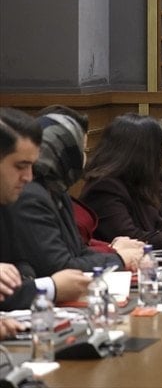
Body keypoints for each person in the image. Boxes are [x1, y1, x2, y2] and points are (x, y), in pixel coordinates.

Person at [8, 109, 143, 277]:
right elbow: (60, 266)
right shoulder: (30, 195)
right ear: (65, 153)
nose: (84, 158)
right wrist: (119, 259)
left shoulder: (57, 191)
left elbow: (79, 251)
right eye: (81, 150)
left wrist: (116, 257)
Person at [0, 108, 90, 311]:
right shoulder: (26, 199)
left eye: (31, 166)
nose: (28, 177)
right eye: (20, 166)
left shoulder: (7, 202)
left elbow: (20, 264)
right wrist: (51, 287)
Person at [80, 113, 162, 248]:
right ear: (144, 155)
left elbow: (158, 223)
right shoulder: (104, 188)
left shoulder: (136, 182)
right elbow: (130, 238)